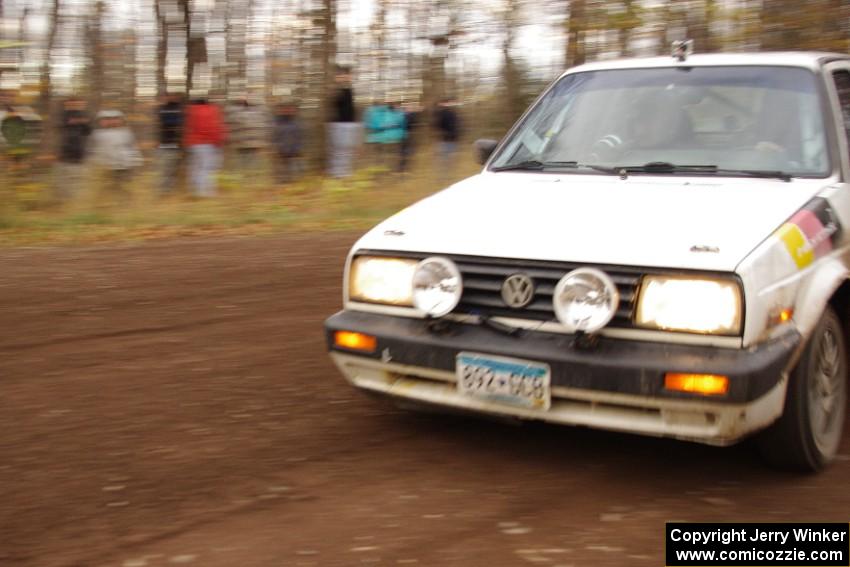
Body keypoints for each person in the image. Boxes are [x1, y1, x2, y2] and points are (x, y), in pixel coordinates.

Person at [88, 109, 142, 205]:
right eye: (106, 119)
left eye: (115, 119)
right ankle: (103, 202)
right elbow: (93, 151)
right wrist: (94, 164)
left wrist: (136, 161)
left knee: (118, 185)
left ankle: (124, 202)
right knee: (108, 185)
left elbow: (133, 148)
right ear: (100, 121)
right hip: (106, 166)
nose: (112, 121)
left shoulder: (126, 133)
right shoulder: (97, 134)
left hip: (124, 165)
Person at [183, 96, 226, 197]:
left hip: (192, 144)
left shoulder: (190, 111)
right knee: (207, 168)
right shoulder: (211, 110)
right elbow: (214, 127)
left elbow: (187, 128)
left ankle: (192, 191)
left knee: (195, 167)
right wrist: (219, 141)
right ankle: (207, 193)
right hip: (207, 143)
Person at [327, 67, 361, 178]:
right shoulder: (336, 90)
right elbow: (334, 102)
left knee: (347, 148)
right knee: (338, 149)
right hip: (338, 123)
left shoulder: (350, 89)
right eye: (341, 76)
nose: (345, 77)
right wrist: (338, 86)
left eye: (347, 75)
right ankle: (336, 173)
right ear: (337, 77)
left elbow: (351, 107)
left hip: (349, 123)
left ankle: (345, 173)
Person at [55, 97, 91, 202]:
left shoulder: (84, 116)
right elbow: (58, 127)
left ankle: (76, 202)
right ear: (66, 104)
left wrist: (82, 122)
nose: (74, 106)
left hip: (79, 155)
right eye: (71, 104)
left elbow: (88, 132)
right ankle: (62, 202)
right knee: (62, 182)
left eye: (76, 104)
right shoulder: (61, 115)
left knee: (78, 181)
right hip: (62, 154)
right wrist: (71, 122)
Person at [228, 94, 267, 181]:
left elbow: (259, 128)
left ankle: (247, 180)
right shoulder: (255, 113)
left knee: (246, 163)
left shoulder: (238, 114)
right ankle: (248, 180)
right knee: (248, 164)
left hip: (246, 143)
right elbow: (260, 128)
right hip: (248, 143)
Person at [157, 93, 183, 196]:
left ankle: (170, 192)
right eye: (170, 95)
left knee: (173, 170)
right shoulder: (161, 109)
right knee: (165, 170)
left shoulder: (180, 109)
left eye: (174, 95)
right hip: (165, 144)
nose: (172, 97)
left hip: (177, 145)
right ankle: (164, 192)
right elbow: (160, 125)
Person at [272, 102, 303, 184]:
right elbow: (274, 136)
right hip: (281, 150)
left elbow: (299, 137)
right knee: (282, 172)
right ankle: (281, 183)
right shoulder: (276, 122)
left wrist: (298, 148)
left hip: (293, 150)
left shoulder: (296, 122)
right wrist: (276, 148)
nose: (287, 110)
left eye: (289, 109)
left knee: (294, 172)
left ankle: (293, 183)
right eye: (285, 109)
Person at [434, 97, 461, 178]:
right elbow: (438, 125)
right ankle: (443, 175)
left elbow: (456, 125)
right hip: (446, 139)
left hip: (451, 138)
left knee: (448, 157)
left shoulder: (451, 112)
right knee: (445, 157)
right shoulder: (442, 113)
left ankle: (446, 174)